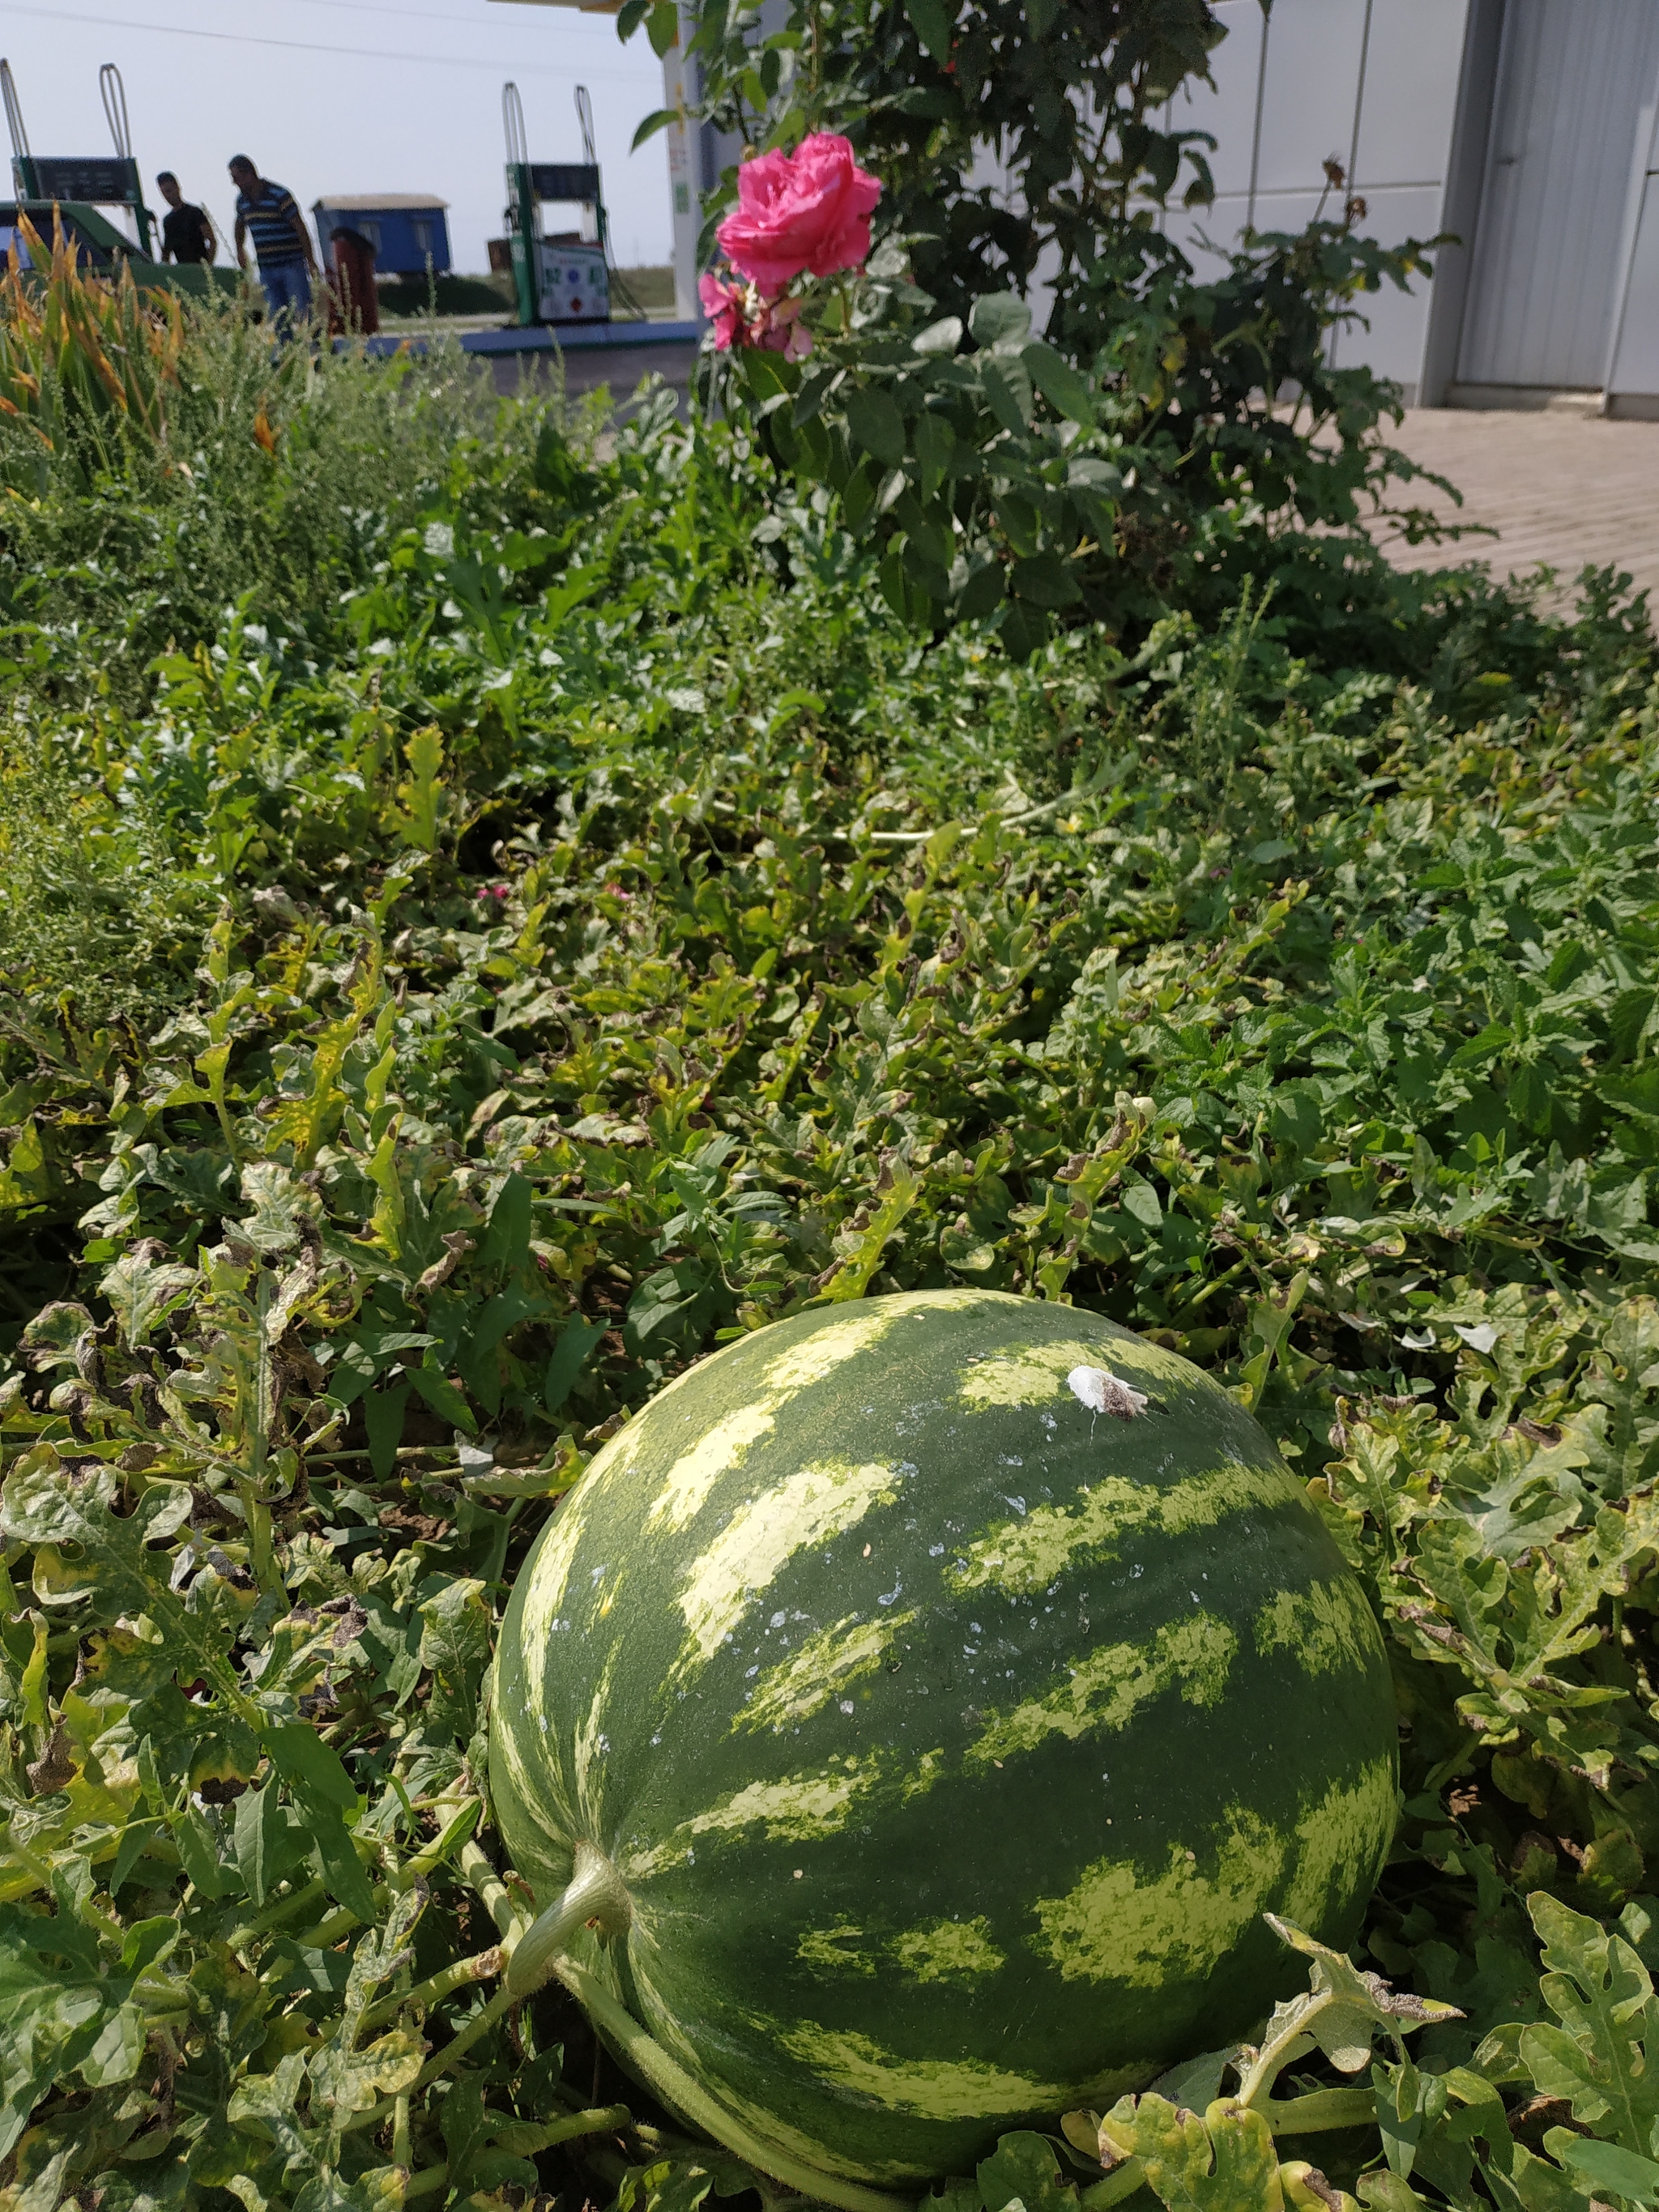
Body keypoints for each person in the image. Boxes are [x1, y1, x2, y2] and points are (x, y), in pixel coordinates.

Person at [229, 154, 318, 330]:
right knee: (277, 317)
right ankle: (287, 352)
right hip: (266, 268)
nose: (234, 183)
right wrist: (239, 249)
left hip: (291, 264)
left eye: (236, 178)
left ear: (248, 174)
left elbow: (300, 228)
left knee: (303, 312)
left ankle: (317, 351)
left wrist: (310, 260)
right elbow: (239, 225)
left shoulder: (279, 195)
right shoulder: (242, 202)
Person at [156, 173, 216, 265]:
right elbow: (167, 253)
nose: (167, 197)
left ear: (177, 188)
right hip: (183, 270)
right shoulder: (168, 221)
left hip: (200, 266)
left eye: (169, 191)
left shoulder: (195, 213)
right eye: (164, 193)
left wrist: (208, 266)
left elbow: (212, 240)